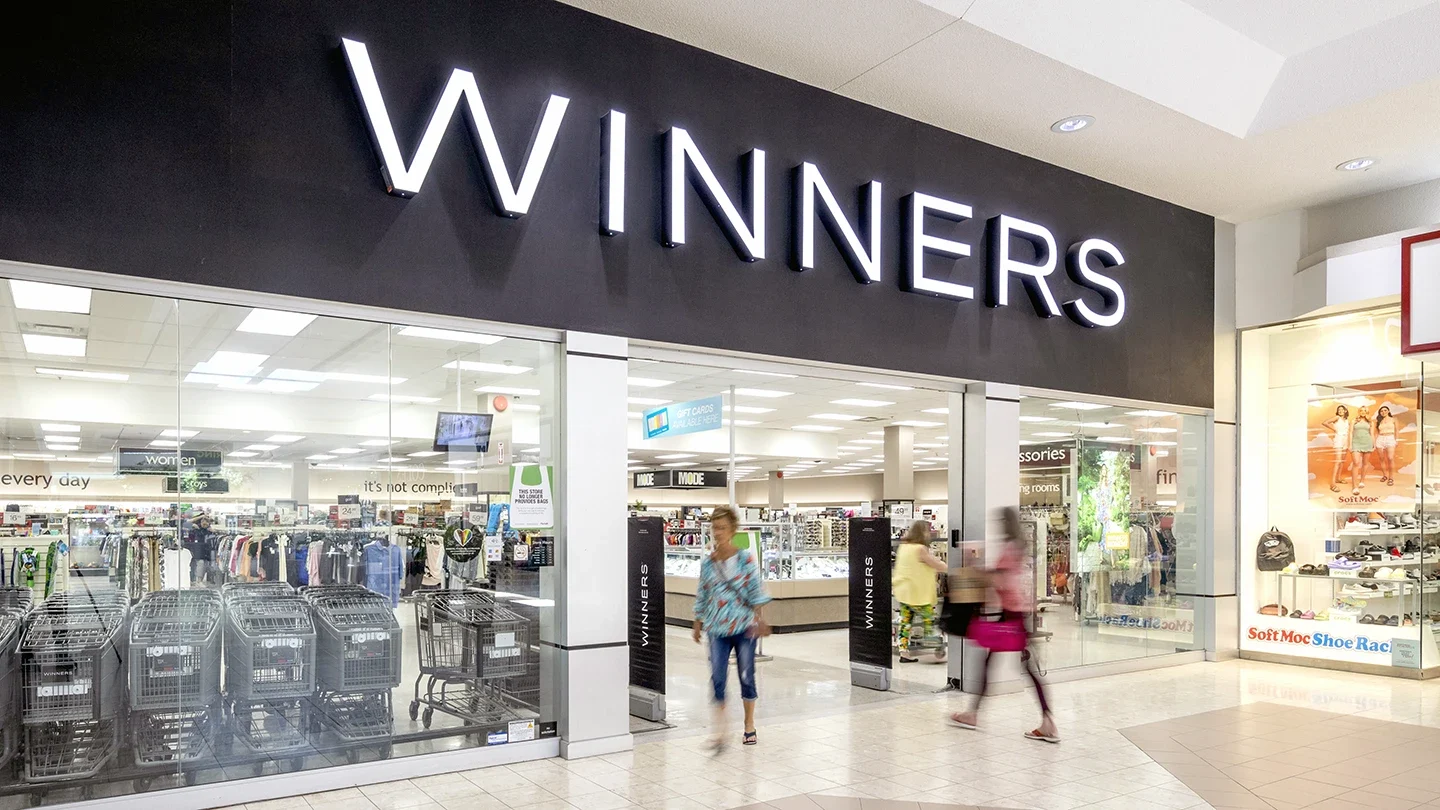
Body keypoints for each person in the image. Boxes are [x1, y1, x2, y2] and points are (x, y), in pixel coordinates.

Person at [950, 506, 1058, 743]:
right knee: (1001, 664)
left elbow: (999, 579)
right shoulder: (1016, 547)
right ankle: (974, 713)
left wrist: (973, 567)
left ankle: (1047, 721)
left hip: (1012, 615)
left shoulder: (1011, 549)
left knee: (1021, 668)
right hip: (1013, 614)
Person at [692, 505, 771, 749]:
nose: (718, 532)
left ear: (733, 530)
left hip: (743, 627)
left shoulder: (745, 558)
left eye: (722, 527)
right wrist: (698, 621)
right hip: (717, 628)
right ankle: (720, 731)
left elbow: (755, 590)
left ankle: (749, 724)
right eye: (715, 528)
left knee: (746, 676)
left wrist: (760, 619)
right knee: (717, 678)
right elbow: (703, 593)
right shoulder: (708, 563)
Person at [893, 520, 947, 663]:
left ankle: (903, 653)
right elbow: (934, 564)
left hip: (904, 591)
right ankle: (935, 643)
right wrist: (947, 566)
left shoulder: (904, 547)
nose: (928, 534)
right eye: (926, 531)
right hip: (917, 594)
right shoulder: (920, 549)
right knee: (929, 619)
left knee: (905, 623)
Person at [1321, 404, 1351, 493]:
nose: (1340, 411)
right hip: (1339, 439)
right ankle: (1333, 483)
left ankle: (1338, 478)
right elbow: (1325, 422)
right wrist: (1334, 429)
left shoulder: (1346, 420)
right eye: (1339, 409)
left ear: (1345, 411)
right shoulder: (1337, 417)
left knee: (1342, 461)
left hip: (1345, 440)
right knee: (1338, 461)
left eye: (1342, 409)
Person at [1350, 407, 1375, 495]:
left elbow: (1372, 433)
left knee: (1365, 463)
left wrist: (1373, 444)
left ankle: (1362, 481)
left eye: (1365, 411)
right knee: (1356, 463)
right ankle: (1354, 486)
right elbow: (1351, 433)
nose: (1363, 412)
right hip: (1356, 443)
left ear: (1367, 412)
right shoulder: (1354, 421)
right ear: (1359, 412)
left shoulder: (1371, 422)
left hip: (1367, 442)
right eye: (1361, 410)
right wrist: (1350, 444)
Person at [1374, 405, 1397, 486]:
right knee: (1381, 458)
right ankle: (1385, 475)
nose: (1383, 412)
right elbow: (1376, 433)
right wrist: (1374, 442)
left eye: (1385, 410)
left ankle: (1391, 478)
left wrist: (1395, 440)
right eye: (1381, 411)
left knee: (1390, 458)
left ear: (1388, 411)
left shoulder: (1393, 419)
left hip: (1390, 438)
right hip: (1380, 438)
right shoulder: (1379, 421)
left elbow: (1396, 431)